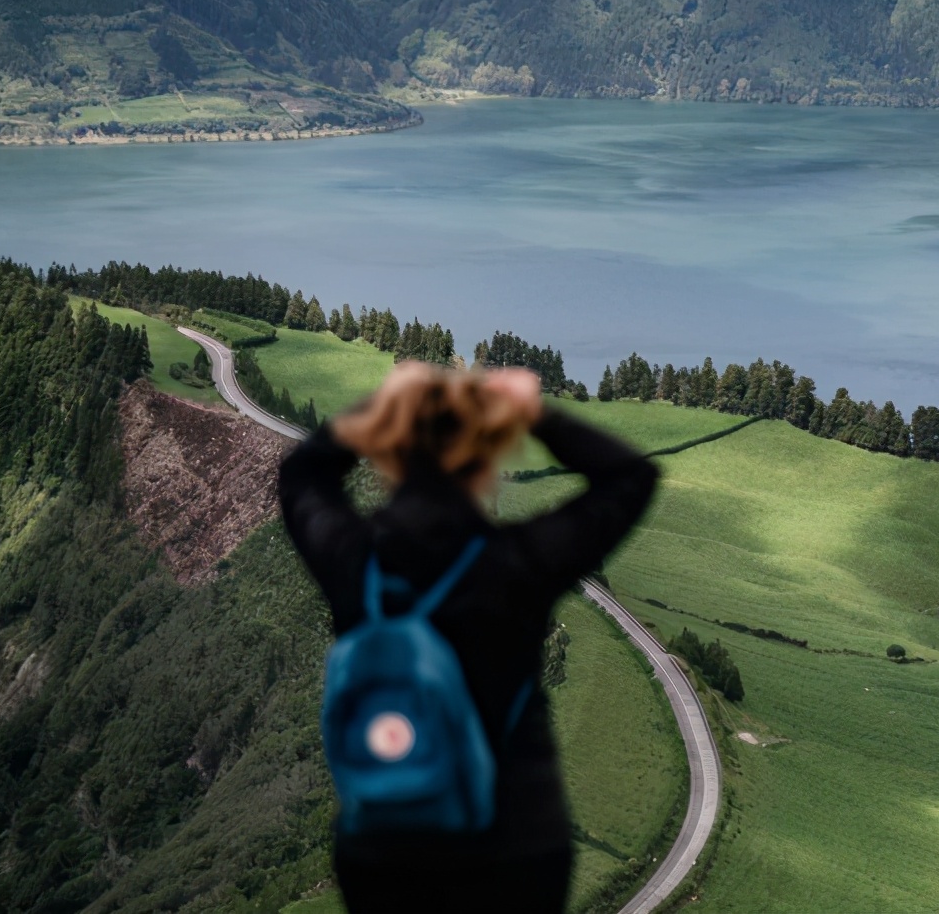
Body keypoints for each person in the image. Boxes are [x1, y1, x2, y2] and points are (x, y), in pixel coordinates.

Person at [278, 361, 659, 914]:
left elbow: (302, 475)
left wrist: (383, 406)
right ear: (488, 454)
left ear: (390, 446)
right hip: (514, 850)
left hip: (384, 850)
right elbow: (630, 477)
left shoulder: (355, 562)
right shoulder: (516, 564)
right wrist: (533, 412)